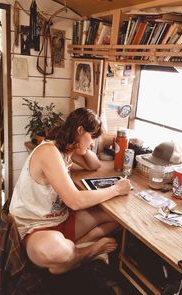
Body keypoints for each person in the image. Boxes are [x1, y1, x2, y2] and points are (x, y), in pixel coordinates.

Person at [9, 107, 131, 275]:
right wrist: (116, 189)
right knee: (56, 251)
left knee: (118, 220)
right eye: (92, 137)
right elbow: (75, 201)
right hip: (35, 226)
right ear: (79, 130)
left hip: (60, 219)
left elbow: (94, 165)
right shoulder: (49, 151)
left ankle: (71, 254)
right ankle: (88, 251)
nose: (94, 143)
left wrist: (82, 145)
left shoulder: (65, 148)